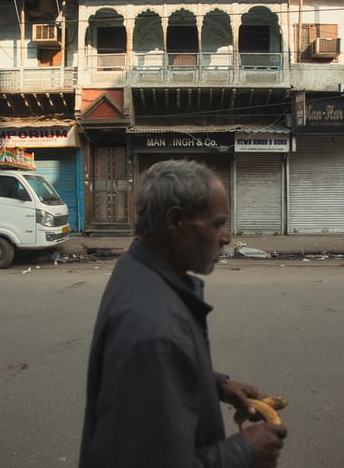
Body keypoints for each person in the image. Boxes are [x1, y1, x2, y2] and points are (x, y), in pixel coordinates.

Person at [79, 159, 287, 468]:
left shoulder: (137, 266)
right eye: (217, 224)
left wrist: (214, 384)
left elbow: (157, 378)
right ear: (175, 221)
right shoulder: (153, 327)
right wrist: (243, 452)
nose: (227, 237)